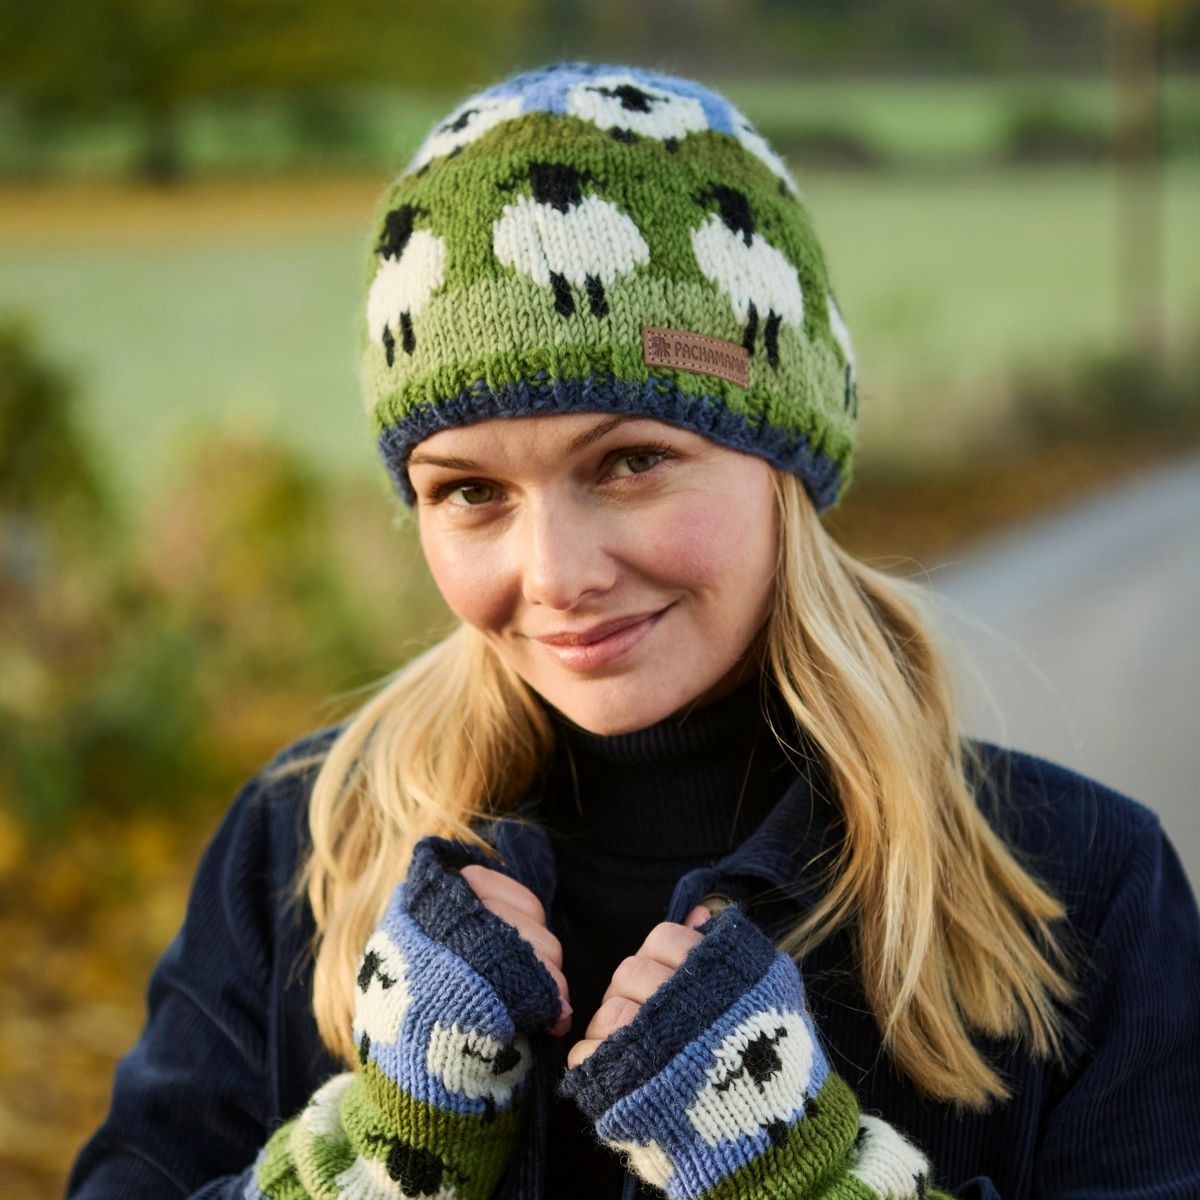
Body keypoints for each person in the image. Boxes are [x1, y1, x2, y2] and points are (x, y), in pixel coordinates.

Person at [66, 61, 1200, 1200]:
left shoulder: (1082, 888)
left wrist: (802, 1180)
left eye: (632, 462)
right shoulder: (302, 849)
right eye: (469, 492)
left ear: (783, 461)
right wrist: (380, 1156)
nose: (556, 575)